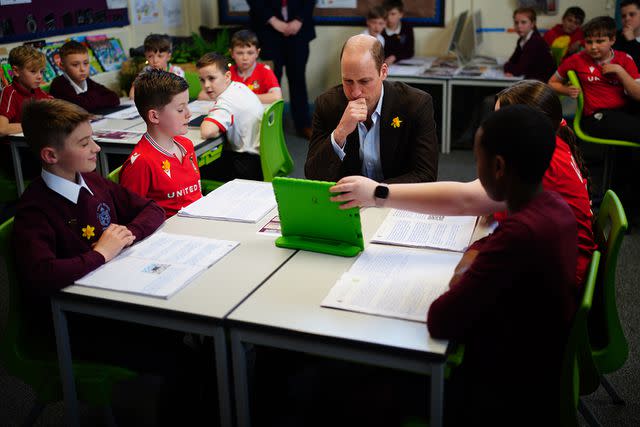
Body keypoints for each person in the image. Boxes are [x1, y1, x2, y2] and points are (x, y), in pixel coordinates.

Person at [330, 80, 596, 289]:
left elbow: (467, 198)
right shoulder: (551, 140)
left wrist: (378, 193)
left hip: (554, 279)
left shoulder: (544, 160)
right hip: (555, 262)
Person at [428, 105, 577, 424]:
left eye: (476, 160)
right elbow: (486, 245)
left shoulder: (519, 237)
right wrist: (474, 257)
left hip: (501, 393)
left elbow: (440, 319)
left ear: (497, 167)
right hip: (536, 370)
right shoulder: (554, 206)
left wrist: (463, 272)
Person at [305, 34, 438, 184]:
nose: (355, 92)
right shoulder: (327, 105)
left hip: (396, 200)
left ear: (383, 72)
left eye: (364, 81)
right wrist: (340, 133)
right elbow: (313, 176)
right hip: (349, 203)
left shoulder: (415, 105)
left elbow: (426, 175)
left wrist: (374, 192)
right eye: (348, 81)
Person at [120, 69, 202, 218]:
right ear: (154, 116)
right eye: (180, 109)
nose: (188, 113)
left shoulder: (186, 145)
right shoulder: (141, 163)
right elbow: (129, 217)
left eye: (187, 105)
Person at [549, 16, 640, 142]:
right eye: (589, 42)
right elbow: (551, 83)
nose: (593, 47)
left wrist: (620, 71)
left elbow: (638, 95)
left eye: (599, 41)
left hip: (625, 112)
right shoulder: (576, 59)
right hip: (596, 117)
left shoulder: (625, 59)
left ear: (612, 40)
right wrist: (566, 90)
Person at [246, 0, 315, 139]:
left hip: (299, 31)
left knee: (298, 79)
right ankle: (269, 125)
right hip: (267, 31)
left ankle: (303, 124)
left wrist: (299, 19)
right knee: (269, 82)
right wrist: (273, 20)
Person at [197, 52, 264, 181]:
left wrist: (215, 130)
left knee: (196, 170)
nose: (206, 85)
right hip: (261, 158)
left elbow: (207, 131)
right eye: (202, 80)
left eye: (211, 78)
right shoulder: (239, 87)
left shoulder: (226, 102)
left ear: (227, 76)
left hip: (246, 166)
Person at [49, 40, 120, 113]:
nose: (82, 69)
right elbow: (79, 107)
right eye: (75, 65)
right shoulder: (58, 85)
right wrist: (96, 96)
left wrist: (87, 99)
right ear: (62, 66)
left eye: (86, 63)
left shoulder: (87, 81)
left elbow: (114, 98)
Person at [0, 45, 51, 137]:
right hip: (16, 148)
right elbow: (2, 129)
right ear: (16, 71)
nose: (40, 76)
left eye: (41, 71)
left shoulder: (38, 90)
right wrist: (35, 125)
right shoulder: (10, 92)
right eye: (33, 71)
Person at [504, 7, 556, 81]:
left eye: (523, 22)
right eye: (516, 22)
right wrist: (510, 67)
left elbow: (518, 71)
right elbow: (513, 60)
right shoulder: (521, 40)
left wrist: (506, 66)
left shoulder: (535, 42)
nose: (519, 26)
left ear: (532, 24)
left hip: (543, 85)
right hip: (532, 80)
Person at [129, 33, 185, 98]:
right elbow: (133, 96)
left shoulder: (176, 72)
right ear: (146, 56)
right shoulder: (145, 72)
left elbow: (180, 96)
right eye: (150, 56)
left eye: (160, 56)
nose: (155, 61)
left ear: (168, 57)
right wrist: (135, 86)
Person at [382, 0, 414, 65]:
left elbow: (410, 51)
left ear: (401, 14)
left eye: (393, 14)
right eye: (386, 14)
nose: (389, 17)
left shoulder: (407, 28)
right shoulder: (380, 28)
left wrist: (395, 57)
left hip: (400, 66)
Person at [614, 0, 640, 69]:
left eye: (632, 14)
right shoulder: (615, 37)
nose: (627, 19)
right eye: (623, 16)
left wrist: (631, 41)